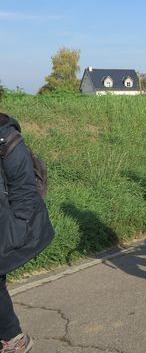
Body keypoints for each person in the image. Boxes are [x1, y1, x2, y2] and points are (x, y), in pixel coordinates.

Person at [0, 114, 55, 353]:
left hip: (9, 225)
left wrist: (13, 233)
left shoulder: (8, 140)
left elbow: (24, 193)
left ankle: (14, 339)